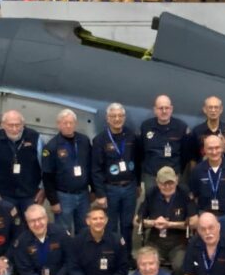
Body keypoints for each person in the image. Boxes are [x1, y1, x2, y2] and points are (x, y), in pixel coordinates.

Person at [64, 205, 129, 275]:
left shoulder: (116, 240)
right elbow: (74, 269)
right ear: (88, 221)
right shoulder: (77, 241)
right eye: (94, 219)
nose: (98, 221)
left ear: (106, 220)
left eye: (101, 218)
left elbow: (123, 269)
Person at [92, 102, 140, 254]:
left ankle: (126, 255)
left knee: (127, 224)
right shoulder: (100, 140)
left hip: (130, 187)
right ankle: (111, 254)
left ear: (124, 117)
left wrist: (138, 184)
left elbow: (137, 161)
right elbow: (96, 169)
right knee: (111, 225)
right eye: (113, 116)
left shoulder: (132, 136)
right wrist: (100, 194)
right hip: (110, 188)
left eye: (120, 116)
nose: (117, 119)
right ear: (107, 118)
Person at [137, 167, 196, 275]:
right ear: (158, 183)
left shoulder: (184, 193)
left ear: (177, 180)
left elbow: (195, 222)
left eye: (171, 183)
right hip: (155, 241)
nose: (168, 187)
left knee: (180, 266)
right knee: (145, 262)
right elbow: (137, 221)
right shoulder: (151, 193)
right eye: (164, 183)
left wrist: (169, 224)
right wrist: (153, 223)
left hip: (178, 242)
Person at [12, 203, 72, 275]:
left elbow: (71, 261)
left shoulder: (61, 234)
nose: (37, 224)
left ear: (47, 218)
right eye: (32, 221)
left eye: (40, 219)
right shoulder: (22, 241)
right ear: (27, 222)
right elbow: (25, 270)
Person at [41, 109, 93, 236]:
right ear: (58, 124)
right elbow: (47, 176)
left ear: (75, 124)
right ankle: (65, 255)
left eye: (71, 123)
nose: (68, 126)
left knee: (85, 229)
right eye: (65, 123)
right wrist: (53, 201)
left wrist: (94, 190)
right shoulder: (51, 146)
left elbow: (90, 166)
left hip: (83, 195)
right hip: (63, 197)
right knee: (63, 231)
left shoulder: (84, 141)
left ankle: (82, 255)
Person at [188, 135, 225, 235]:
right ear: (204, 150)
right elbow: (194, 197)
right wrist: (195, 215)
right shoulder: (197, 170)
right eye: (210, 148)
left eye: (217, 148)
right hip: (205, 216)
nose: (214, 152)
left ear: (222, 148)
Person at [0, 110, 43, 213]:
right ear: (3, 125)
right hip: (5, 194)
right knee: (7, 225)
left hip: (30, 194)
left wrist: (43, 188)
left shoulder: (35, 137)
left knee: (30, 224)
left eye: (18, 125)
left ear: (23, 124)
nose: (14, 129)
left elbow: (44, 166)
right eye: (10, 125)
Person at [138, 94, 190, 195]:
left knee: (173, 205)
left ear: (171, 109)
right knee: (152, 205)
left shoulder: (181, 127)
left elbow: (185, 154)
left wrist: (178, 172)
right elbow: (140, 152)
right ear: (155, 110)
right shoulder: (146, 126)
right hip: (151, 176)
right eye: (160, 108)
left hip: (173, 175)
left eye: (167, 108)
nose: (164, 111)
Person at [189, 95, 225, 163]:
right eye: (210, 107)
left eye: (216, 107)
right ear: (204, 109)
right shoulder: (196, 131)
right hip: (202, 170)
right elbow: (192, 157)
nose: (213, 110)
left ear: (221, 109)